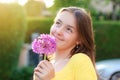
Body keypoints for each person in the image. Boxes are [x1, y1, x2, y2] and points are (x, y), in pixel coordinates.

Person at [33, 7, 97, 80]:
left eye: (69, 29)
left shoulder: (80, 61)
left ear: (79, 39)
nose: (59, 31)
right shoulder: (46, 66)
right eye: (58, 23)